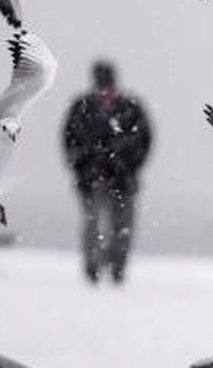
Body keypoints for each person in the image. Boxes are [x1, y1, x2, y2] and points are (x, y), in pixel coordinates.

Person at [61, 60, 152, 284]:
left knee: (122, 227)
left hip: (123, 179)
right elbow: (69, 141)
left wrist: (129, 164)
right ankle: (93, 268)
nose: (105, 88)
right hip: (92, 179)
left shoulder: (130, 107)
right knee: (93, 224)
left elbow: (145, 141)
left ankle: (117, 269)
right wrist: (82, 164)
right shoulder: (82, 108)